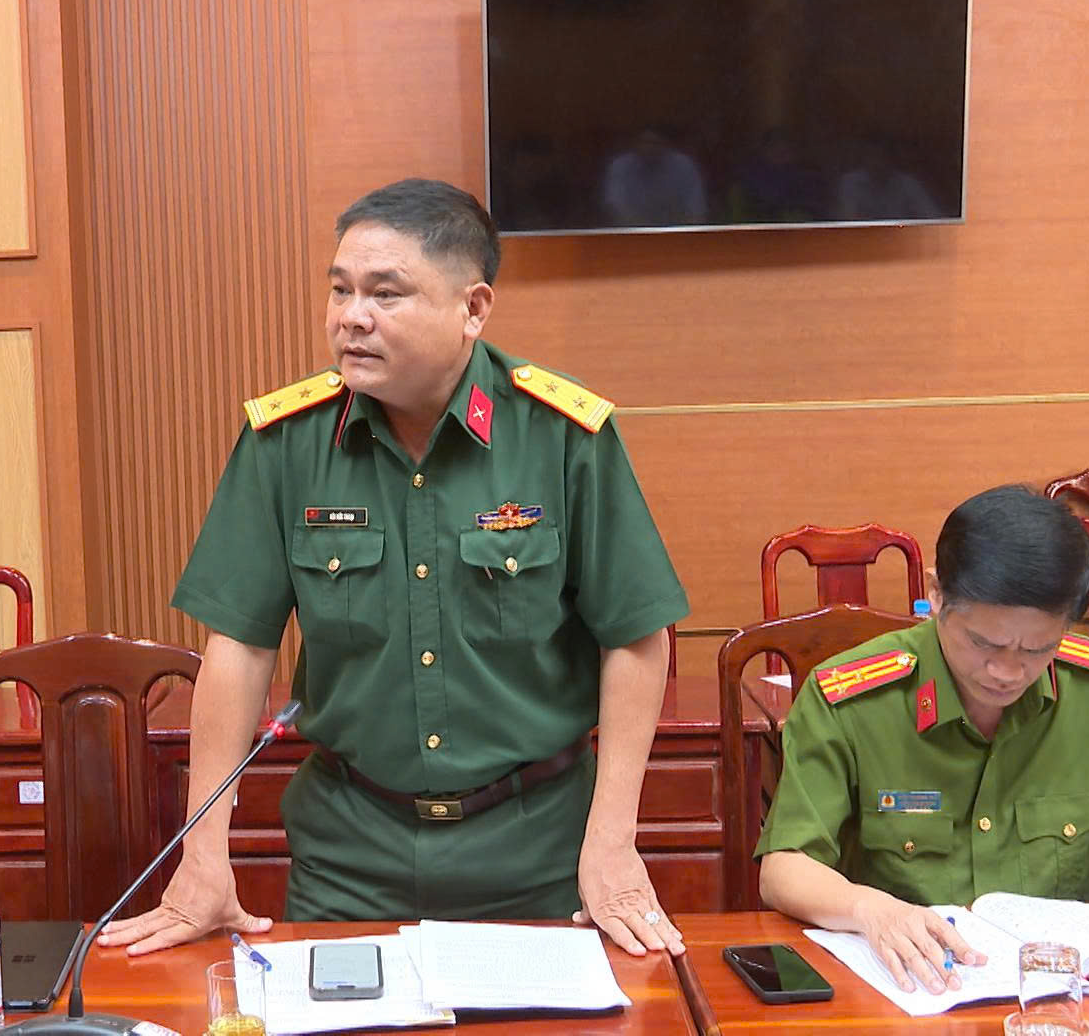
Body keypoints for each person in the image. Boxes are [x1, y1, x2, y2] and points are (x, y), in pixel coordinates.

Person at [101, 178, 690, 957]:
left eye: (386, 293)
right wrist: (203, 856)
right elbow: (239, 647)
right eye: (340, 289)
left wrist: (611, 843)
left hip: (537, 855)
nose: (352, 316)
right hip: (350, 857)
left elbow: (636, 638)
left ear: (473, 308)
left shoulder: (561, 435)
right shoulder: (288, 441)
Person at [755, 485, 1089, 993]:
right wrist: (871, 910)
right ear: (937, 594)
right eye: (983, 643)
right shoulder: (852, 699)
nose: (1007, 672)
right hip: (909, 990)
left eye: (1037, 649)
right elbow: (784, 869)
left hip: (1054, 998)